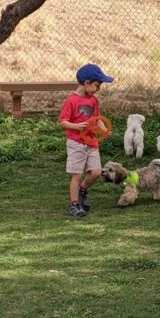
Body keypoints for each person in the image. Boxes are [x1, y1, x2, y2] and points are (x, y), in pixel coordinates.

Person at [59, 63, 114, 218]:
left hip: (92, 142)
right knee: (77, 174)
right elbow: (63, 122)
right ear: (87, 83)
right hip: (76, 143)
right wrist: (76, 126)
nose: (99, 89)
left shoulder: (94, 100)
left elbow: (97, 119)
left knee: (96, 172)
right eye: (97, 85)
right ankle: (75, 204)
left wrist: (104, 130)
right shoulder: (72, 101)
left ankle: (82, 190)